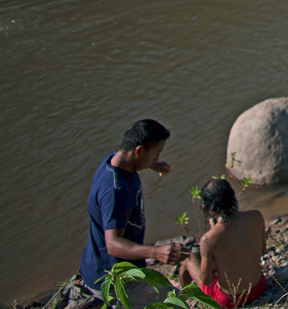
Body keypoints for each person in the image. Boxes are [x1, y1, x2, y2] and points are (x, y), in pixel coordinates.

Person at [80, 120, 186, 292]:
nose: (158, 158)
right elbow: (113, 244)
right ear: (139, 150)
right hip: (113, 278)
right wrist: (155, 252)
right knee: (175, 303)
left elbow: (135, 159)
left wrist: (152, 164)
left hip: (113, 265)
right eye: (156, 154)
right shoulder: (116, 191)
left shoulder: (114, 160)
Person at [175, 180, 266, 309]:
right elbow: (262, 251)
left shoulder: (209, 239)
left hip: (228, 301)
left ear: (209, 209)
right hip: (257, 287)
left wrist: (213, 233)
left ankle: (185, 301)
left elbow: (206, 280)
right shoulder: (256, 216)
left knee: (187, 258)